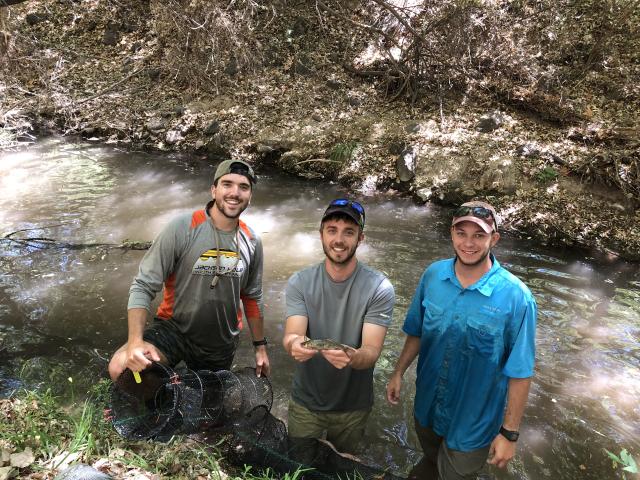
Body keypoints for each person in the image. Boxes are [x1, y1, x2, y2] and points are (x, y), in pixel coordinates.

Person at [386, 200, 536, 479]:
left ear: (494, 238)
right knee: (430, 460)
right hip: (428, 407)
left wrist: (509, 434)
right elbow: (418, 331)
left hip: (473, 424)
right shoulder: (433, 276)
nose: (469, 243)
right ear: (451, 233)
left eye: (479, 235)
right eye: (461, 233)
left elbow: (521, 371)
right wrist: (397, 372)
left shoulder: (517, 297)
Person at [108, 159, 270, 380]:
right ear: (214, 190)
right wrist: (135, 343)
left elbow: (252, 297)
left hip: (220, 340)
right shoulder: (183, 228)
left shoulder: (252, 240)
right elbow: (143, 285)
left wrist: (260, 347)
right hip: (174, 330)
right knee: (122, 368)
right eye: (227, 184)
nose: (235, 193)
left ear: (250, 196)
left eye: (244, 187)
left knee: (208, 402)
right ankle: (159, 398)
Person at [282, 198, 395, 455]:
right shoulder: (300, 282)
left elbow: (371, 351)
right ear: (321, 234)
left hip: (353, 407)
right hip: (306, 403)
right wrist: (294, 345)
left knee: (343, 469)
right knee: (298, 465)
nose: (339, 240)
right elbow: (292, 334)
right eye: (331, 230)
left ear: (360, 238)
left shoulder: (379, 287)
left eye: (349, 232)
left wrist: (353, 357)